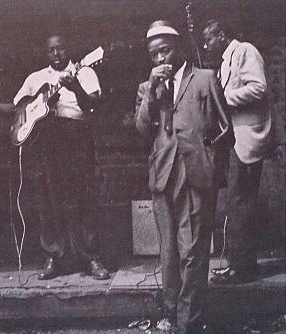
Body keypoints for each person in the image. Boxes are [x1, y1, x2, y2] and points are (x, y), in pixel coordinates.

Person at [0, 33, 110, 281]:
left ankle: (91, 257)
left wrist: (73, 86)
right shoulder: (35, 79)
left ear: (69, 49)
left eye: (61, 48)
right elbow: (18, 109)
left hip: (75, 136)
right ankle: (54, 256)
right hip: (45, 141)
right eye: (51, 50)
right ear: (46, 53)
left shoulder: (84, 70)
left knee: (82, 196)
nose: (56, 54)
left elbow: (93, 106)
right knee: (48, 198)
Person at [135, 20, 230, 334]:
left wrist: (209, 162)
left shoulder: (205, 78)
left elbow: (225, 129)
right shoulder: (147, 88)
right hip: (162, 176)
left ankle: (188, 322)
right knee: (169, 253)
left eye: (166, 50)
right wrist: (151, 89)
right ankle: (171, 313)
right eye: (154, 55)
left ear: (178, 48)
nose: (161, 58)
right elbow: (141, 129)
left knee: (193, 251)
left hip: (195, 175)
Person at [203, 19, 273, 284]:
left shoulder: (244, 50)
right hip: (235, 140)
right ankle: (241, 264)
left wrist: (223, 99)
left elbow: (259, 87)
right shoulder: (226, 60)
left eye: (209, 38)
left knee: (239, 201)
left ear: (221, 34)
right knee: (238, 201)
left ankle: (240, 269)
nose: (206, 45)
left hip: (247, 138)